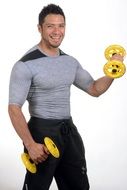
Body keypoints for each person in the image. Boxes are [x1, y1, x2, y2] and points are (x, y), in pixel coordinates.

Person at [8, 4, 124, 190]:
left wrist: (114, 69)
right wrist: (30, 144)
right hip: (40, 132)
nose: (57, 31)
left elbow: (94, 89)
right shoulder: (25, 65)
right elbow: (14, 108)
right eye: (50, 26)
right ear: (40, 28)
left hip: (68, 131)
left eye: (61, 26)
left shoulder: (70, 61)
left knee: (78, 186)